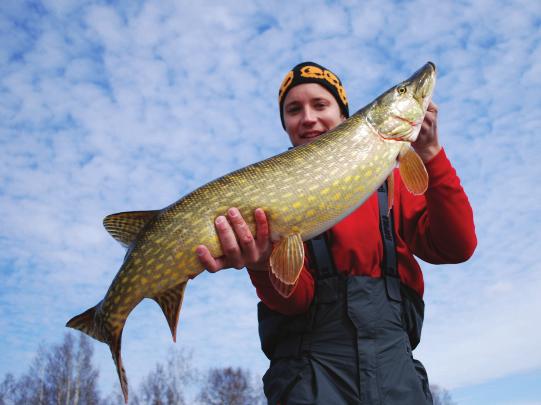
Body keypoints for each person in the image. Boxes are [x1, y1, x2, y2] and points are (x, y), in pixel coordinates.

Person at [195, 62, 477, 404]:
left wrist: (431, 153)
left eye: (320, 104)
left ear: (345, 114)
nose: (308, 118)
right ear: (285, 123)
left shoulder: (395, 180)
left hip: (395, 370)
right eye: (293, 109)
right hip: (311, 376)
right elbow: (297, 300)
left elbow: (456, 246)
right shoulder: (275, 199)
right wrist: (260, 266)